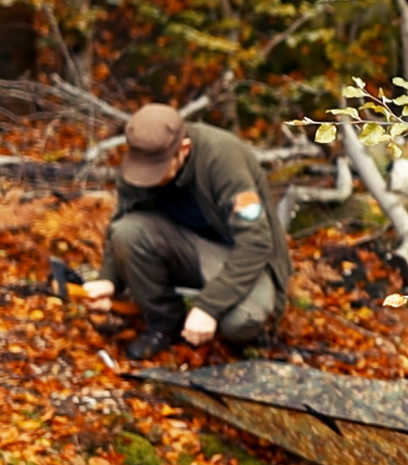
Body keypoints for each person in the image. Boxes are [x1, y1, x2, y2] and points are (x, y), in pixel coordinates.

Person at [83, 104, 292, 362]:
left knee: (241, 323)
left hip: (238, 253)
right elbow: (121, 223)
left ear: (184, 149)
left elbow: (257, 242)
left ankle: (212, 319)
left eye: (158, 169)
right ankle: (164, 324)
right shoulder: (139, 161)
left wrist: (208, 307)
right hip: (183, 246)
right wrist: (109, 281)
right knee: (127, 231)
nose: (150, 178)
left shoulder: (222, 158)